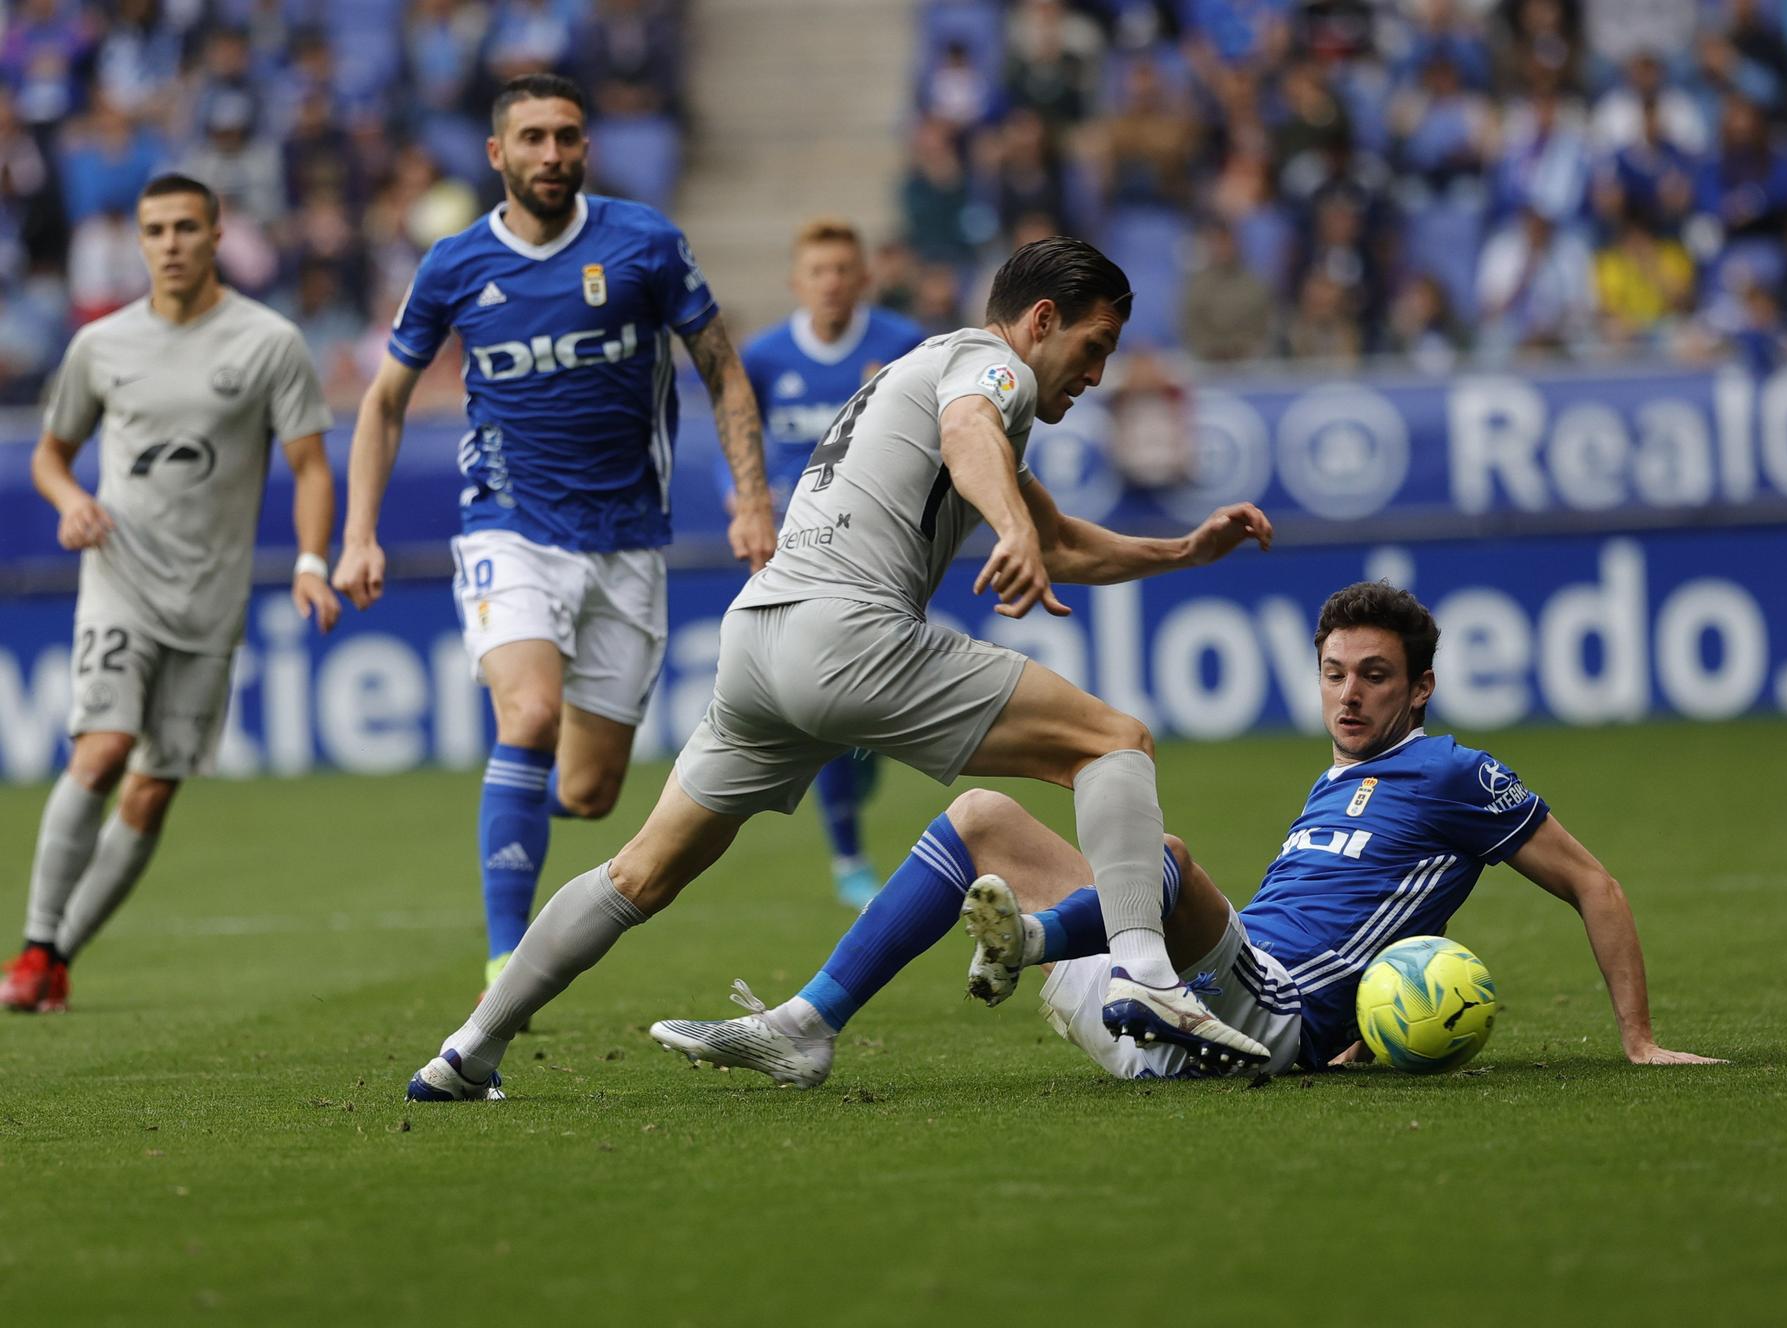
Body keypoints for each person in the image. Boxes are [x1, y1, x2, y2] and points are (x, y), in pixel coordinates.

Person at [407, 235, 1279, 1101]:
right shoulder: (990, 370)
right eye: (1095, 347)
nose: (1096, 375)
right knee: (1112, 741)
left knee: (638, 872)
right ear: (1042, 320)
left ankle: (466, 1051)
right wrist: (1008, 529)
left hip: (757, 644)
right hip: (848, 633)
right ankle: (1140, 970)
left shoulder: (921, 366)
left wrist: (1182, 549)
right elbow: (972, 432)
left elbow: (1055, 538)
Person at [651, 582, 1724, 1085]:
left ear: (1421, 687)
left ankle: (1026, 943)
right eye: (1334, 672)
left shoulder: (1451, 773)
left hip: (1265, 1015)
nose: (1347, 695)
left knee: (1157, 859)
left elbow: (1593, 882)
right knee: (979, 814)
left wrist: (1634, 1037)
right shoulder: (1333, 773)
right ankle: (809, 1022)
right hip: (1179, 994)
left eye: (1374, 676)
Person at [333, 74, 777, 996]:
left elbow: (724, 374)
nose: (551, 154)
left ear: (586, 148)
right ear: (497, 154)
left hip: (626, 539)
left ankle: (529, 807)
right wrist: (358, 532)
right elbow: (382, 402)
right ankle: (507, 957)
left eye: (566, 137)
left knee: (587, 792)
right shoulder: (455, 264)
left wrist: (750, 499)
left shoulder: (644, 244)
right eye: (531, 138)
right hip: (509, 524)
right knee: (526, 714)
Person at [1, 173, 338, 1013]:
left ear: (217, 235)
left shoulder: (268, 342)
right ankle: (35, 944)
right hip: (117, 581)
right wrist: (73, 499)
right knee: (104, 749)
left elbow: (308, 464)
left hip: (211, 602)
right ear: (140, 241)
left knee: (153, 786)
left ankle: (56, 960)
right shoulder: (100, 345)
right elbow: (49, 453)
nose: (171, 243)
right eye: (156, 230)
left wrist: (309, 560)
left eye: (187, 227)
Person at [730, 216, 927, 909]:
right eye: (819, 271)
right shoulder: (762, 356)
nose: (832, 283)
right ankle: (848, 856)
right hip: (793, 557)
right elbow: (740, 440)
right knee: (824, 713)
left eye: (844, 270)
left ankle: (861, 765)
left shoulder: (902, 346)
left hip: (879, 554)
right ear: (797, 281)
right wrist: (746, 504)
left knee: (859, 721)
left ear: (865, 277)